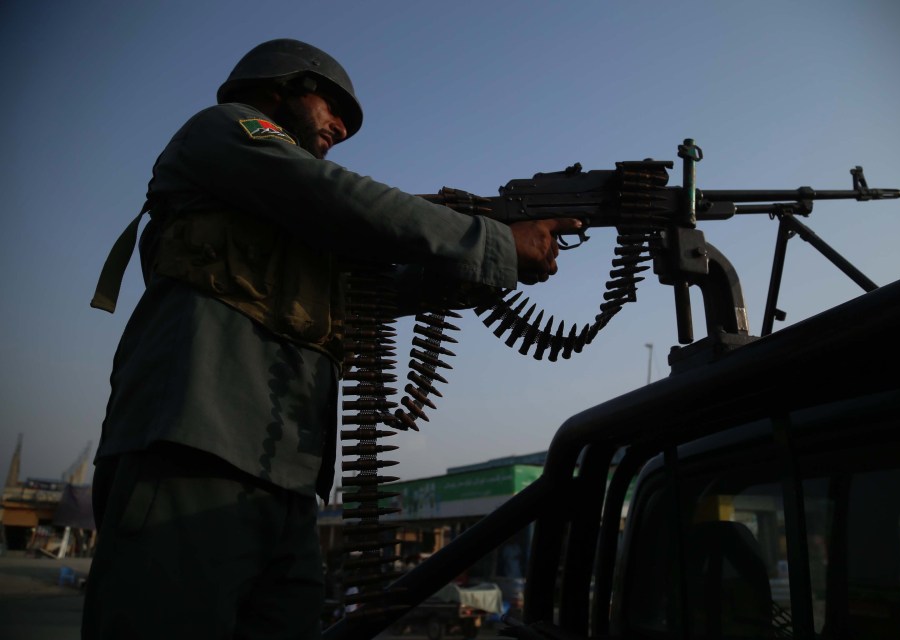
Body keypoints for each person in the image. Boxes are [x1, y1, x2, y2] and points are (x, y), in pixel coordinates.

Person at [82, 38, 578, 639]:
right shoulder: (227, 130)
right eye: (332, 105)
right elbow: (338, 196)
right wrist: (493, 241)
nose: (342, 126)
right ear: (279, 87)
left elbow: (376, 294)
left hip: (286, 481)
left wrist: (494, 265)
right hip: (190, 449)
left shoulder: (293, 221)